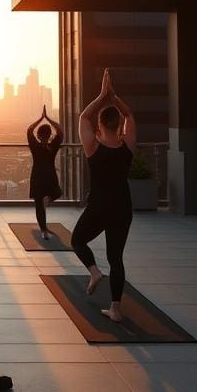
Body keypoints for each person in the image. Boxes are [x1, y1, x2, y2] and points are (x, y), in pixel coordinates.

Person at [73, 68, 137, 323]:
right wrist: (114, 97)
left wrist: (102, 95)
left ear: (100, 126)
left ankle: (94, 272)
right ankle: (116, 309)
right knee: (116, 258)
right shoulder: (127, 146)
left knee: (78, 240)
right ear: (119, 124)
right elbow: (130, 114)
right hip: (122, 207)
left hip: (99, 207)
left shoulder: (93, 147)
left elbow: (83, 117)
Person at [27, 105, 64, 239]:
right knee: (57, 192)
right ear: (49, 135)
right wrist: (49, 119)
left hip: (37, 175)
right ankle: (48, 199)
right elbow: (60, 131)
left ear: (38, 135)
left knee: (38, 205)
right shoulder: (53, 145)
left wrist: (40, 119)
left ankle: (44, 231)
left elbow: (29, 130)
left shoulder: (35, 146)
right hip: (50, 174)